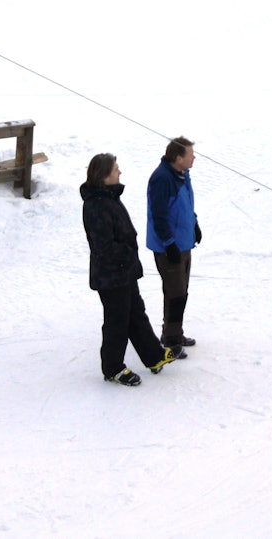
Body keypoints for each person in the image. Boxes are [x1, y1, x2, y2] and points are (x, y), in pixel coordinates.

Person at [81, 153, 182, 386]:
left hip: (123, 271)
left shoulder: (108, 197)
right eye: (116, 169)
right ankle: (113, 368)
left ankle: (154, 356)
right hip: (110, 275)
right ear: (104, 175)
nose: (120, 172)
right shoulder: (96, 205)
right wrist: (127, 254)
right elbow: (103, 245)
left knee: (136, 313)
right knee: (117, 321)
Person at [146, 136, 200, 351]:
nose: (194, 157)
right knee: (175, 293)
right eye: (190, 154)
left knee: (181, 292)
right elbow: (159, 215)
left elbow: (185, 203)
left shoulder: (182, 174)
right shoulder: (162, 179)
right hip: (170, 248)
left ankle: (175, 333)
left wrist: (194, 223)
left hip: (183, 243)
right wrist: (169, 243)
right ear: (178, 158)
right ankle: (170, 339)